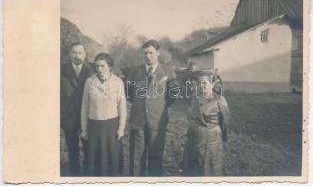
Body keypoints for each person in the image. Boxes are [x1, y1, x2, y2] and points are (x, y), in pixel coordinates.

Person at [124, 39, 175, 176]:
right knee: (136, 158)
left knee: (156, 158)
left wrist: (157, 106)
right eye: (145, 53)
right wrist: (141, 104)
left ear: (158, 53)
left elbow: (172, 95)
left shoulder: (167, 72)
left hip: (157, 121)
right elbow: (128, 93)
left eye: (151, 53)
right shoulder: (134, 72)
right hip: (138, 121)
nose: (148, 56)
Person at [80, 53, 127, 176]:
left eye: (103, 66)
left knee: (112, 160)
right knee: (93, 161)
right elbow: (84, 106)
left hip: (111, 127)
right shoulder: (89, 82)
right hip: (93, 126)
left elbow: (122, 107)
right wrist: (84, 129)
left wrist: (121, 128)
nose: (99, 69)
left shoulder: (118, 82)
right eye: (97, 66)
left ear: (110, 67)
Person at [182, 70, 230, 176]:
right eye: (199, 83)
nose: (201, 85)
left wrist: (219, 137)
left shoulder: (219, 100)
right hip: (193, 140)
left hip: (211, 141)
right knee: (192, 170)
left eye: (205, 83)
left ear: (212, 84)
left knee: (209, 169)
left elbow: (225, 121)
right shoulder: (194, 97)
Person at [61, 42, 93, 176]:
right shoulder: (61, 69)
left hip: (88, 115)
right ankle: (74, 175)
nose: (77, 55)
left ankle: (88, 174)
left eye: (80, 52)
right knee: (72, 148)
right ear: (69, 54)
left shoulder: (92, 69)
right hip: (68, 116)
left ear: (85, 54)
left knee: (88, 147)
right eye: (74, 52)